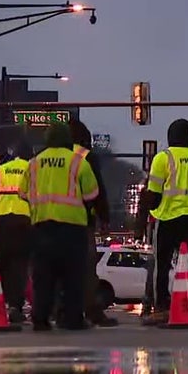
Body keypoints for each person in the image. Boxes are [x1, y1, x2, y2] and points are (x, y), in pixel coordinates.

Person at [19, 122, 99, 331]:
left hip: (41, 227)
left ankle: (40, 318)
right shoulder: (78, 162)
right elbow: (92, 195)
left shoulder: (34, 163)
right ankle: (72, 319)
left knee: (43, 277)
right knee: (73, 276)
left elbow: (23, 193)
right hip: (72, 228)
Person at [137, 118, 188, 325]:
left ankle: (161, 307)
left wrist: (143, 219)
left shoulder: (163, 158)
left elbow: (153, 195)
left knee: (161, 266)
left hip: (167, 218)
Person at [69, 119, 118, 327]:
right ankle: (91, 310)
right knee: (87, 268)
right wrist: (104, 217)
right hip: (80, 221)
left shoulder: (44, 157)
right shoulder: (85, 157)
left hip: (47, 221)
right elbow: (97, 191)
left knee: (54, 268)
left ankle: (53, 310)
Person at [0, 138, 33, 323]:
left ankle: (4, 303)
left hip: (2, 222)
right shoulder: (32, 169)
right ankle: (16, 305)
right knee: (20, 266)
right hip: (24, 221)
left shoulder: (1, 170)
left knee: (3, 265)